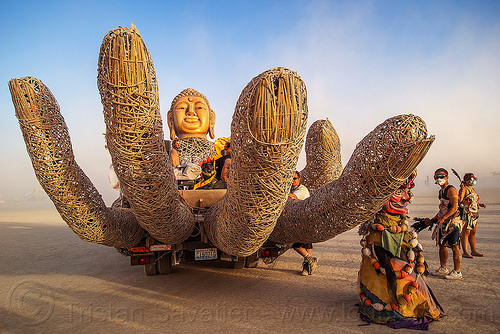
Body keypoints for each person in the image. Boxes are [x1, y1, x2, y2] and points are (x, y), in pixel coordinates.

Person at [430, 168, 463, 279]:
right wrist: (434, 219)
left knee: (455, 246)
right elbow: (443, 208)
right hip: (444, 221)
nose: (439, 179)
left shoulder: (451, 190)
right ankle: (443, 268)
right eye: (437, 177)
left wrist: (443, 218)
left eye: (442, 176)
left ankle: (457, 272)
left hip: (453, 222)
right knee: (442, 244)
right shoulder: (441, 192)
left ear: (447, 177)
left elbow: (454, 207)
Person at [289, 171, 316, 276]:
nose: (293, 181)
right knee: (305, 244)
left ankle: (308, 263)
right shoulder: (292, 188)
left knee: (298, 244)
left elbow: (293, 197)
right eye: (291, 178)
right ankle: (308, 265)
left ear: (299, 179)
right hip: (299, 219)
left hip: (305, 219)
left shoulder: (302, 189)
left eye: (295, 178)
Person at [459, 173, 486, 258]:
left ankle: (473, 250)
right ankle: (465, 251)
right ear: (466, 180)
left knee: (473, 232)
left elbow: (474, 200)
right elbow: (460, 200)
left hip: (474, 213)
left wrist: (479, 204)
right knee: (466, 232)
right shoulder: (464, 189)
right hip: (467, 213)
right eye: (470, 179)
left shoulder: (472, 189)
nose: (472, 181)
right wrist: (465, 202)